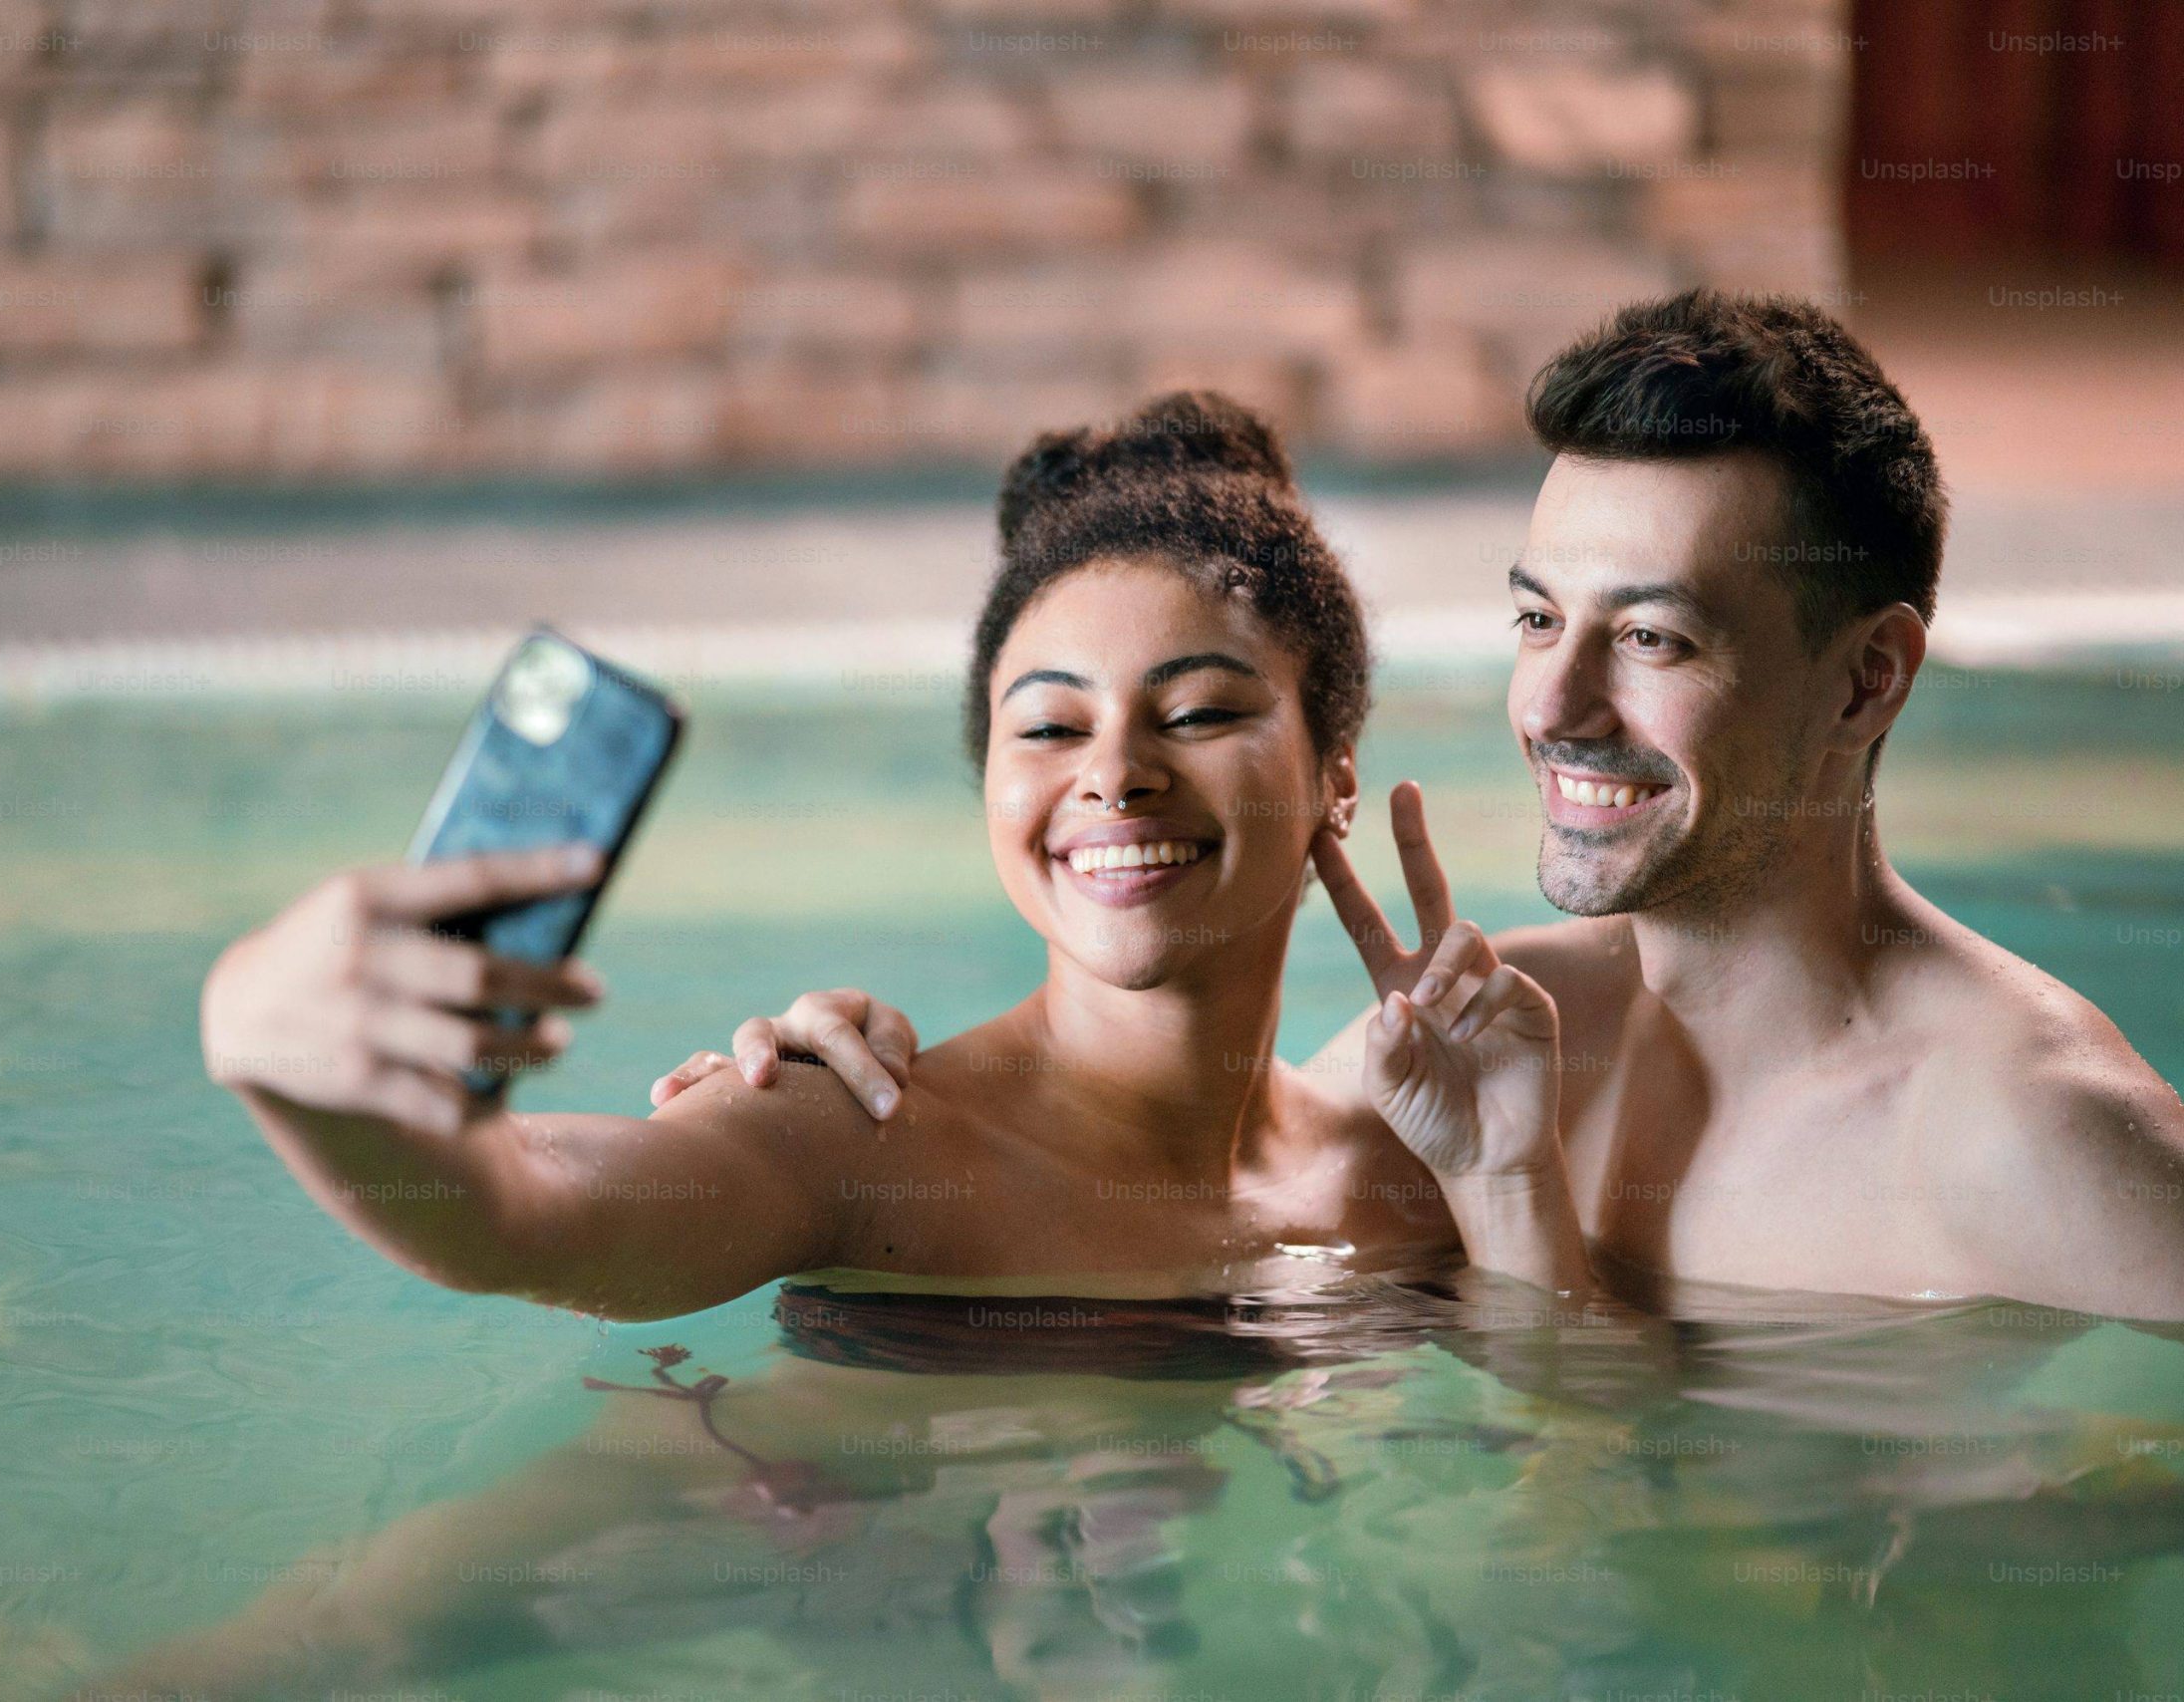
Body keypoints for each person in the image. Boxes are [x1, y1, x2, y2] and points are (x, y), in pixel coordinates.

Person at [676, 292, 2184, 1320]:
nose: (1554, 706)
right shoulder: (1479, 1047)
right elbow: (1158, 1210)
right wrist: (824, 1112)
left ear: (1868, 680)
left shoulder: (2035, 1137)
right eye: (1538, 621)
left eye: (1653, 639)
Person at [199, 392, 1593, 1319]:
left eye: (1198, 713)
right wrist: (272, 1042)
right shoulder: (860, 1130)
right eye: (1049, 727)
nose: (1115, 774)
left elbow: (1589, 1494)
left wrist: (1508, 1184)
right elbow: (524, 1212)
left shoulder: (1424, 1157)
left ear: (1335, 773)